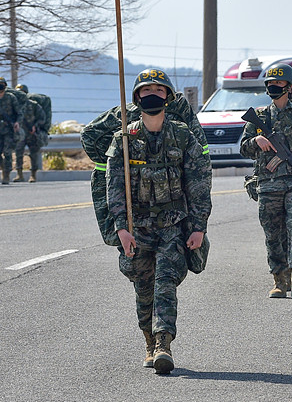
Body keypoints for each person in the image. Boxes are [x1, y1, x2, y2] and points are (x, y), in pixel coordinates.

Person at [105, 68, 211, 374]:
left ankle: (164, 344)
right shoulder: (124, 139)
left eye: (159, 90)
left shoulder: (183, 135)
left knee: (166, 282)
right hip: (138, 227)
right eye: (147, 90)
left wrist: (199, 226)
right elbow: (113, 186)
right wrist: (122, 229)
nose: (153, 95)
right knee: (144, 287)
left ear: (168, 97)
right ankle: (149, 341)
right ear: (138, 97)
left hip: (172, 224)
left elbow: (199, 182)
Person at [239, 64, 292, 299]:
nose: (274, 87)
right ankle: (279, 279)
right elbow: (244, 148)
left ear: (289, 87)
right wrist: (257, 141)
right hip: (268, 184)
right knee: (273, 234)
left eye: (278, 84)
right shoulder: (259, 117)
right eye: (271, 84)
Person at [0, 76, 21, 184]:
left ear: (5, 85)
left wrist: (17, 122)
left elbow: (19, 113)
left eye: (1, 84)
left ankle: (6, 175)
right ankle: (4, 167)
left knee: (7, 152)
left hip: (8, 129)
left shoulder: (11, 97)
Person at [12, 84, 45, 183]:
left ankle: (33, 175)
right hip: (20, 133)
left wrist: (35, 125)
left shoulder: (33, 105)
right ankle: (19, 175)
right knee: (18, 153)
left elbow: (42, 118)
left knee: (33, 154)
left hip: (32, 134)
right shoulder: (15, 106)